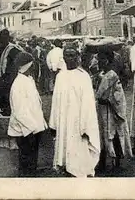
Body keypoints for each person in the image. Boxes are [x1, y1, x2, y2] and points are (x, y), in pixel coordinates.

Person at [49, 44, 100, 177]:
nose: (69, 58)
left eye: (72, 55)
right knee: (65, 149)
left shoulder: (83, 77)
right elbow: (55, 101)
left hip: (78, 123)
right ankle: (65, 166)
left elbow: (88, 104)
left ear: (77, 57)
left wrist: (85, 127)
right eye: (66, 55)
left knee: (79, 154)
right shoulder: (60, 76)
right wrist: (53, 123)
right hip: (64, 120)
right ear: (63, 57)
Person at [8, 52, 48, 177]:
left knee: (32, 160)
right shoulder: (18, 84)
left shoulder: (28, 80)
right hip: (26, 130)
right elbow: (20, 111)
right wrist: (31, 129)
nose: (34, 68)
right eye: (32, 66)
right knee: (26, 161)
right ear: (27, 67)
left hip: (33, 129)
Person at [95, 51, 133, 172]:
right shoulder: (100, 74)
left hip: (111, 111)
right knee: (102, 134)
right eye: (99, 59)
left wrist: (109, 99)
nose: (100, 61)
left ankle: (117, 161)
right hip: (101, 110)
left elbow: (119, 94)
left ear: (108, 61)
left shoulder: (112, 75)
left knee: (113, 134)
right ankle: (102, 161)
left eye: (103, 59)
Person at [0, 29, 23, 115]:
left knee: (9, 94)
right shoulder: (1, 48)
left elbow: (16, 63)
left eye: (4, 37)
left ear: (7, 38)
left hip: (10, 75)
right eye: (1, 37)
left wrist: (9, 74)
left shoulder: (13, 49)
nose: (2, 39)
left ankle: (9, 111)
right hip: (2, 76)